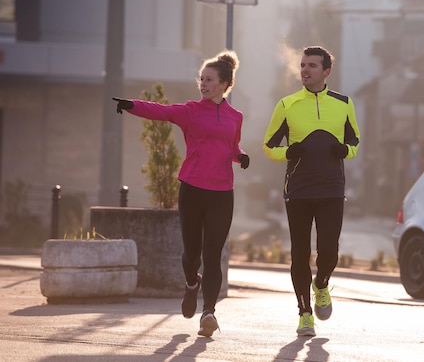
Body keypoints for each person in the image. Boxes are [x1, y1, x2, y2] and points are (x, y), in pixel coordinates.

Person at [113, 50, 249, 338]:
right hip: (193, 189)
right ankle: (191, 284)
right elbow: (160, 111)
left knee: (213, 255)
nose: (203, 83)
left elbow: (232, 147)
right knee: (192, 255)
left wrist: (241, 156)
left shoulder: (235, 116)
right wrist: (131, 105)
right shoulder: (189, 111)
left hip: (222, 193)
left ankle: (209, 313)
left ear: (224, 83)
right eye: (201, 78)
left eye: (209, 79)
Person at [263, 45, 360, 336]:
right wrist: (289, 152)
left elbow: (354, 142)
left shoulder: (344, 103)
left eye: (312, 66)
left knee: (329, 251)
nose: (305, 70)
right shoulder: (287, 104)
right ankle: (305, 313)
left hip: (332, 190)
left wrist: (344, 150)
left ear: (326, 71)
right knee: (299, 254)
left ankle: (321, 285)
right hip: (299, 191)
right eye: (303, 65)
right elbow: (269, 146)